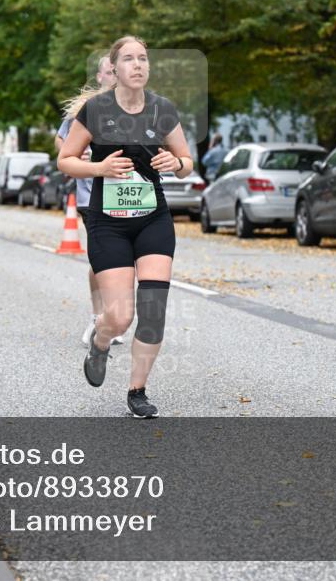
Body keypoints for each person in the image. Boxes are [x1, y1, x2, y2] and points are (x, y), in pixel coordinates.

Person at [58, 36, 194, 419]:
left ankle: (138, 391)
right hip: (109, 223)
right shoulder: (95, 111)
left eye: (144, 59)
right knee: (119, 317)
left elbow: (186, 160)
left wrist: (176, 164)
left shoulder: (162, 110)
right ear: (114, 69)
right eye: (129, 59)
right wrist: (99, 168)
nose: (138, 65)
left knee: (153, 311)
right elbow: (66, 161)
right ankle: (100, 344)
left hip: (153, 218)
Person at [54, 55, 124, 348]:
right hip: (91, 195)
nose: (114, 77)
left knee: (123, 259)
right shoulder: (86, 108)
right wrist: (77, 154)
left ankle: (115, 316)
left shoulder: (138, 107)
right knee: (101, 258)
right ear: (100, 76)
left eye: (117, 71)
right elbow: (61, 142)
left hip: (126, 195)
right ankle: (97, 317)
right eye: (109, 72)